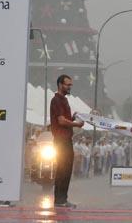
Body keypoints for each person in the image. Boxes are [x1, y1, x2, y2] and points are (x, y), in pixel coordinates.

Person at [50, 74, 84, 208]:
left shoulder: (64, 100)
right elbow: (61, 121)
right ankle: (59, 200)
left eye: (70, 85)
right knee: (63, 169)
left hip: (66, 138)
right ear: (60, 85)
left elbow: (66, 118)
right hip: (61, 139)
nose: (70, 87)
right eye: (67, 84)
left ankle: (62, 199)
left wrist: (74, 117)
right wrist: (76, 124)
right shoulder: (56, 100)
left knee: (67, 169)